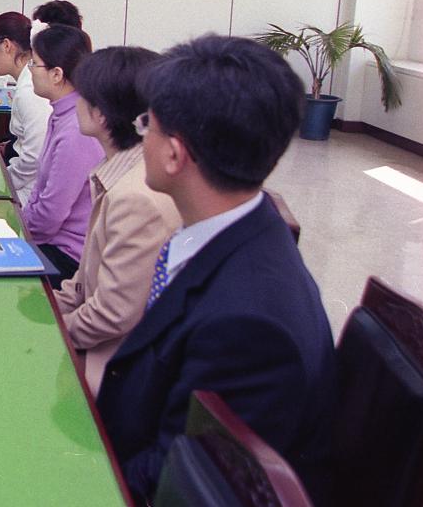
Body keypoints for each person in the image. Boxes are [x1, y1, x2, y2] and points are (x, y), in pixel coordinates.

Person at [97, 35, 337, 503]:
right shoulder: (237, 227)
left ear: (174, 153)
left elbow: (171, 478)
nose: (141, 135)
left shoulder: (249, 328)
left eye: (148, 124)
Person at [52, 46, 180, 395]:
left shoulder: (135, 195)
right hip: (92, 337)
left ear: (102, 115)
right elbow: (82, 284)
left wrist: (49, 332)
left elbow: (112, 315)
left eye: (81, 94)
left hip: (110, 370)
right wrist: (43, 313)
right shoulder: (119, 173)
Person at [24, 24, 104, 284]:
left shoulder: (76, 129)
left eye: (34, 64)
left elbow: (50, 215)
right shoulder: (61, 114)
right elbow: (41, 189)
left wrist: (17, 231)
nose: (30, 71)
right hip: (48, 243)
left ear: (57, 74)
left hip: (66, 256)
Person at [0, 12, 50, 205]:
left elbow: (34, 156)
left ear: (6, 45)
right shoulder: (26, 84)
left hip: (29, 193)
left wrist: (5, 182)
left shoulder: (31, 90)